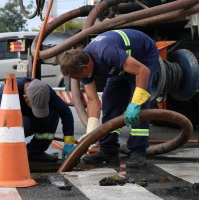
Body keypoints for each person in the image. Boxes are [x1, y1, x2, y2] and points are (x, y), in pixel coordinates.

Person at [60, 29, 159, 168]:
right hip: (121, 64)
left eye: (79, 77)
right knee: (110, 103)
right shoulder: (84, 65)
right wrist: (91, 132)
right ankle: (108, 149)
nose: (81, 80)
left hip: (142, 57)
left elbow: (142, 71)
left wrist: (135, 104)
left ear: (86, 67)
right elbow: (93, 100)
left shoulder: (106, 52)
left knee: (140, 106)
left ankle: (138, 151)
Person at [0, 78, 75, 164]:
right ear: (25, 97)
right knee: (23, 120)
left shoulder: (43, 90)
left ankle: (35, 152)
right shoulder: (5, 94)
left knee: (53, 114)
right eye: (34, 106)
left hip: (25, 123)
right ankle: (11, 155)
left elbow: (66, 112)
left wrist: (69, 143)